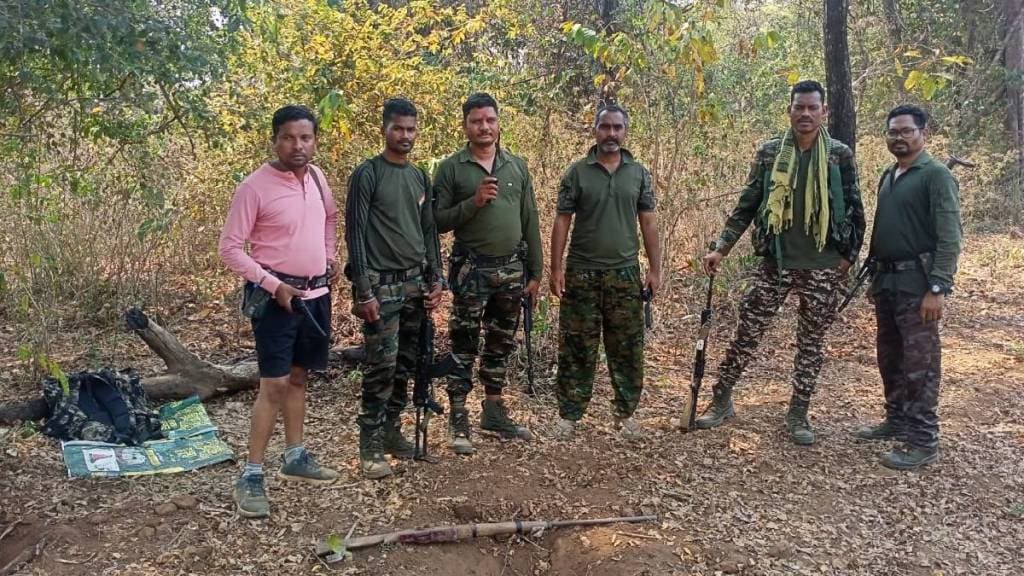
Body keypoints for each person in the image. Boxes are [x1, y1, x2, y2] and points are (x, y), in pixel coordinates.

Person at [699, 80, 865, 445]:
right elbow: (747, 203)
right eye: (798, 107)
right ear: (789, 110)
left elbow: (855, 209)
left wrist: (848, 258)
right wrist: (721, 248)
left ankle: (799, 413)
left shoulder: (840, 155)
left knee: (811, 342)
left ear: (825, 112)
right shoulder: (771, 153)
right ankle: (721, 398)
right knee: (747, 332)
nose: (805, 114)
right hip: (775, 262)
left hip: (822, 265)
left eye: (812, 108)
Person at [219, 105, 340, 518]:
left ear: (315, 140)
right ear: (274, 140)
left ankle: (296, 455)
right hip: (275, 299)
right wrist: (273, 285)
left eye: (305, 138)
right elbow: (230, 248)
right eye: (289, 138)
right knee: (272, 386)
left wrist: (328, 258)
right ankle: (251, 474)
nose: (298, 146)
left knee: (299, 378)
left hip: (315, 295)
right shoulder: (254, 187)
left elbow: (329, 219)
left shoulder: (319, 177)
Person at [854, 104, 962, 470]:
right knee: (891, 357)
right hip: (888, 282)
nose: (899, 137)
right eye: (893, 132)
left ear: (923, 133)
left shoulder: (935, 176)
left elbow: (950, 236)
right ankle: (896, 419)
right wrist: (873, 277)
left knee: (921, 364)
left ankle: (923, 439)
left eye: (906, 131)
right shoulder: (890, 174)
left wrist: (938, 287)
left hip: (918, 286)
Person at [433, 92, 541, 454]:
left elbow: (530, 219)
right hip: (472, 270)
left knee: (500, 343)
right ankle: (458, 416)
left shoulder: (516, 166)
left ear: (498, 123)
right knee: (464, 345)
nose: (484, 127)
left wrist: (536, 271)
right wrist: (473, 202)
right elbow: (437, 221)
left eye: (490, 120)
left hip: (511, 269)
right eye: (477, 121)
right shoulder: (451, 168)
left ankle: (494, 411)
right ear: (465, 126)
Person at [549, 104, 662, 441]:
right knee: (576, 347)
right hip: (582, 273)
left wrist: (655, 269)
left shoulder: (638, 174)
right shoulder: (576, 173)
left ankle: (625, 414)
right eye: (605, 127)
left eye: (617, 127)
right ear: (595, 130)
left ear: (625, 131)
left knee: (626, 347)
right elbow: (562, 221)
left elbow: (649, 223)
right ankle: (569, 416)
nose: (611, 134)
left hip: (624, 274)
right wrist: (556, 269)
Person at [345, 98, 444, 479]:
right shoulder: (368, 174)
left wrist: (436, 277)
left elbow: (428, 230)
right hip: (381, 288)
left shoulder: (419, 176)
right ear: (385, 129)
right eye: (398, 128)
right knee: (380, 368)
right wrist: (363, 290)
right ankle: (369, 444)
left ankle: (391, 432)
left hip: (415, 284)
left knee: (408, 362)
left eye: (411, 129)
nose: (405, 136)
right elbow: (355, 233)